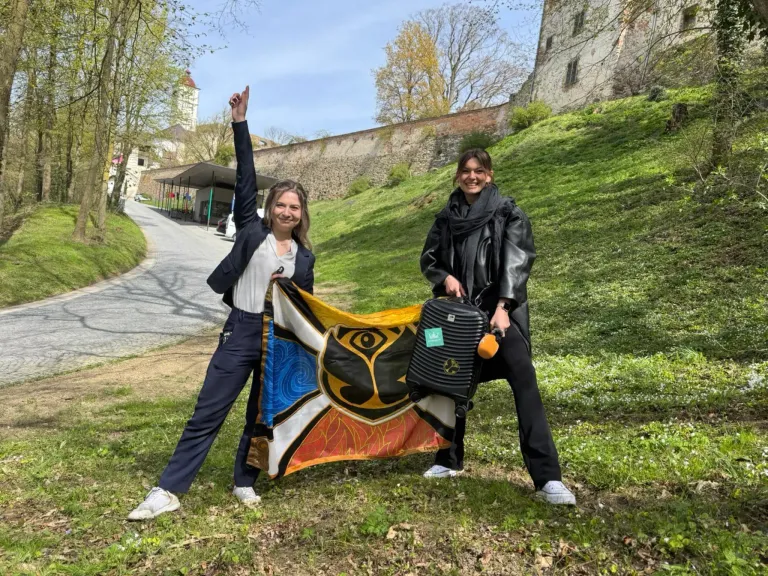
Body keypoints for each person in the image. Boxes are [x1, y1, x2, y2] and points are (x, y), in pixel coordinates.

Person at [128, 86, 316, 520]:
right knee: (208, 410)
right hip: (241, 330)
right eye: (281, 205)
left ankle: (243, 481)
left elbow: (307, 308)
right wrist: (240, 123)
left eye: (294, 207)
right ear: (270, 209)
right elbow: (247, 176)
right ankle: (169, 488)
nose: (287, 212)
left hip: (277, 340)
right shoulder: (253, 232)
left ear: (302, 215)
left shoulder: (304, 259)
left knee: (260, 415)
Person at [419, 148, 575, 505]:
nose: (471, 176)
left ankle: (547, 477)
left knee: (524, 383)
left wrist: (504, 306)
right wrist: (445, 278)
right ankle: (448, 459)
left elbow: (518, 260)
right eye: (465, 171)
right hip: (459, 316)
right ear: (458, 175)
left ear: (488, 174)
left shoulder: (507, 212)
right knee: (450, 382)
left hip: (498, 316)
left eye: (479, 171)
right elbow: (429, 258)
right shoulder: (447, 217)